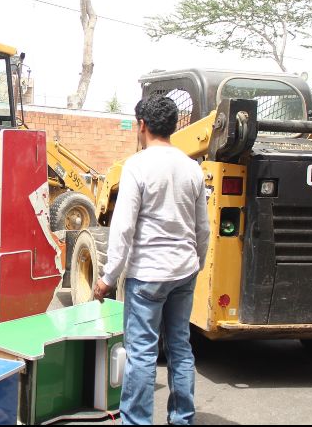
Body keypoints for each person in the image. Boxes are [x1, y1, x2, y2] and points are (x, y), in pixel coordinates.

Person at [93, 96, 210, 425]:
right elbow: (203, 228)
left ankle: (137, 421)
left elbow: (123, 227)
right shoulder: (192, 168)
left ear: (142, 125)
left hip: (147, 275)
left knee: (142, 352)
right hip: (183, 271)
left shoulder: (137, 165)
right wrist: (196, 264)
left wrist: (107, 277)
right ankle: (182, 418)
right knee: (180, 347)